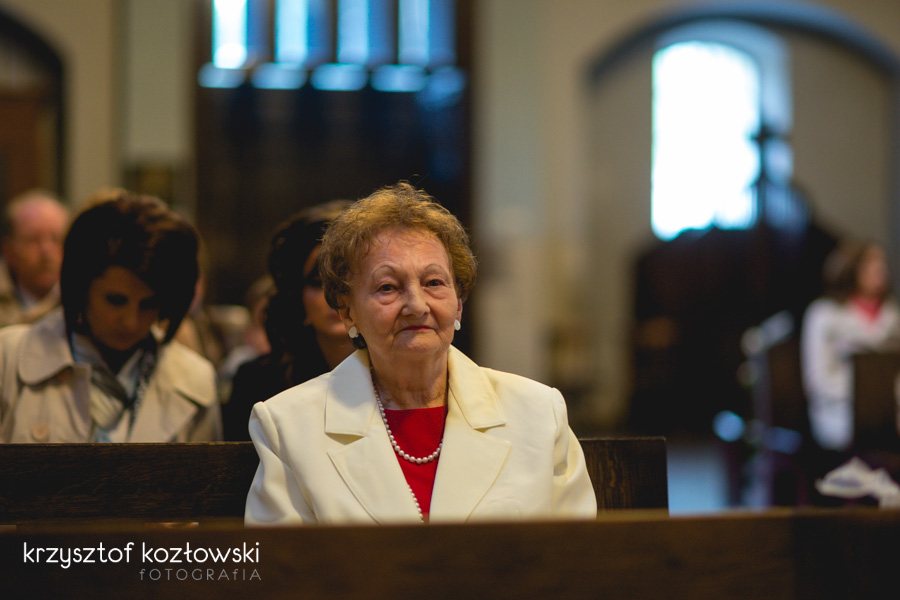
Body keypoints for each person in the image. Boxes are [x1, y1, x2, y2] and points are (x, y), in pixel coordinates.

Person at [245, 182, 596, 525]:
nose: (416, 305)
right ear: (348, 313)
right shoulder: (288, 426)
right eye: (388, 287)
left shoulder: (539, 413)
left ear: (458, 304)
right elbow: (281, 561)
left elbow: (574, 553)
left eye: (434, 283)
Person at [0, 192, 221, 443]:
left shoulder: (195, 379)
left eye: (149, 304)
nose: (130, 321)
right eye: (116, 300)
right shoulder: (8, 358)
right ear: (82, 288)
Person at [224, 201, 354, 441]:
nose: (335, 297)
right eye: (318, 283)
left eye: (347, 281)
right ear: (297, 295)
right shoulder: (258, 382)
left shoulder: (398, 376)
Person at [801, 240, 900, 451]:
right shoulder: (824, 314)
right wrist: (867, 394)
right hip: (841, 410)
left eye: (881, 263)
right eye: (870, 263)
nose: (879, 270)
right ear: (851, 268)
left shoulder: (893, 314)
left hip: (889, 410)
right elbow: (818, 380)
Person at [0, 190, 70, 328]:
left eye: (56, 239)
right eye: (33, 240)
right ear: (8, 250)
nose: (47, 251)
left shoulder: (87, 299)